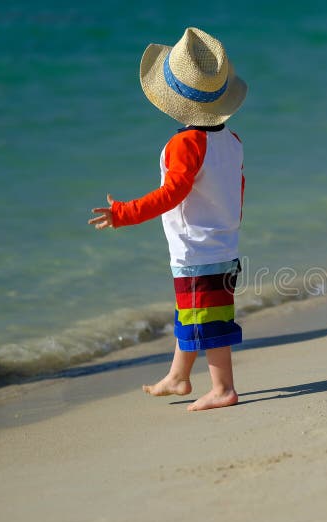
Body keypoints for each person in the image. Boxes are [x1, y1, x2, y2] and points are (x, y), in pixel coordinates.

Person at [88, 27, 248, 411]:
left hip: (197, 250)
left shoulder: (185, 144)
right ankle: (178, 376)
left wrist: (124, 213)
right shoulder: (232, 141)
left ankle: (223, 388)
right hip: (223, 244)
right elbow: (237, 189)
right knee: (192, 313)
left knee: (208, 324)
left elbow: (171, 194)